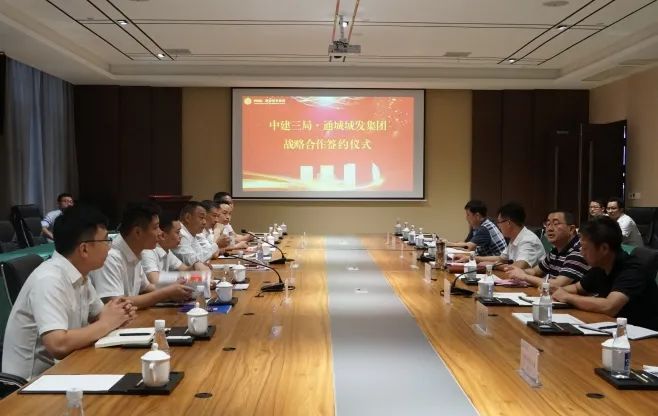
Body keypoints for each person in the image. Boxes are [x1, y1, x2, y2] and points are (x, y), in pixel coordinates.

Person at [2, 205, 136, 380]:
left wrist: (119, 313)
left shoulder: (80, 274)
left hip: (66, 369)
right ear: (84, 249)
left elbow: (100, 315)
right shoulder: (49, 279)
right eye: (105, 241)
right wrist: (108, 323)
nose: (109, 248)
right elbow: (58, 344)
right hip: (31, 384)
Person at [552, 216, 658, 330]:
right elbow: (577, 288)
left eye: (584, 248)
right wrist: (557, 291)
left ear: (604, 248)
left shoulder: (632, 270)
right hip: (616, 329)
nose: (581, 253)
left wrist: (568, 297)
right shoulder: (601, 266)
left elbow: (609, 307)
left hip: (644, 335)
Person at [90, 203, 192, 308]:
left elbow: (147, 287)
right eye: (156, 227)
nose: (160, 233)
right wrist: (166, 293)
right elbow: (117, 303)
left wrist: (174, 290)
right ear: (137, 232)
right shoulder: (110, 257)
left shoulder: (135, 251)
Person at [505, 210, 589, 287]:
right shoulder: (556, 250)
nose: (549, 229)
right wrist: (519, 271)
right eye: (547, 224)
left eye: (556, 224)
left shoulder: (579, 251)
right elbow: (535, 271)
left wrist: (524, 276)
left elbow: (558, 284)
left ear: (571, 229)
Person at [462, 202, 544, 269]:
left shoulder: (528, 240)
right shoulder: (515, 238)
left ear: (508, 223)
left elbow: (519, 267)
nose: (498, 226)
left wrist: (493, 265)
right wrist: (474, 258)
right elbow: (501, 258)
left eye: (499, 222)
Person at [141, 211, 210, 285]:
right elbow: (155, 280)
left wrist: (195, 266)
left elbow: (185, 270)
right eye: (177, 232)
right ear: (163, 235)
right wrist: (197, 278)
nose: (180, 236)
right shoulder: (147, 252)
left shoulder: (167, 250)